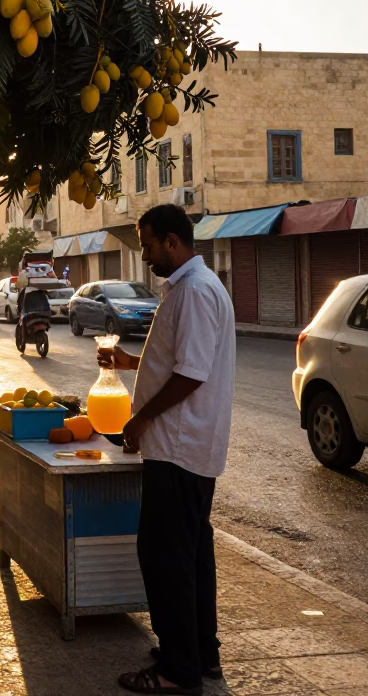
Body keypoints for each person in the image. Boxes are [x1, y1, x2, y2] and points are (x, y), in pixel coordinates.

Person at [97, 205, 235, 696]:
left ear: (173, 241)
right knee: (190, 555)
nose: (145, 255)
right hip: (186, 446)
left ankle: (179, 670)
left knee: (166, 557)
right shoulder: (189, 287)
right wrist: (132, 362)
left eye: (149, 246)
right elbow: (180, 360)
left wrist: (141, 418)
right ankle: (199, 653)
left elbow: (191, 374)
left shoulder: (194, 291)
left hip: (179, 446)